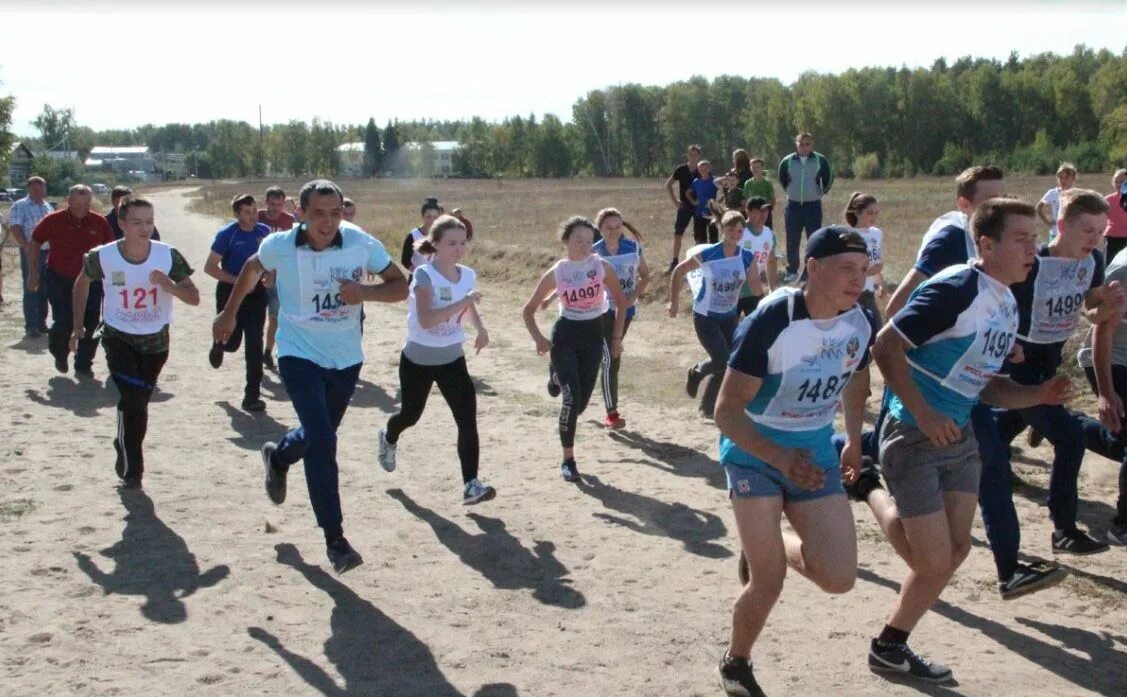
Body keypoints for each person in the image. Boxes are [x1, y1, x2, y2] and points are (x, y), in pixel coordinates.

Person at [850, 199, 1072, 683]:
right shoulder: (956, 287)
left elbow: (988, 386)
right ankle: (868, 485)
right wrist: (925, 414)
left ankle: (890, 646)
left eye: (1034, 239)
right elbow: (884, 345)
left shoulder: (1006, 301)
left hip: (960, 436)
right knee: (931, 560)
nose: (1032, 249)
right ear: (986, 244)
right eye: (1021, 239)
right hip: (913, 432)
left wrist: (1040, 393)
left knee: (954, 553)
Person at [213, 179, 408, 574]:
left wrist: (364, 294)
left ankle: (279, 456)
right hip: (298, 354)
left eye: (335, 213)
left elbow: (400, 284)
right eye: (319, 213)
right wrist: (229, 313)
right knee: (323, 441)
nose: (329, 221)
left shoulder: (360, 243)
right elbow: (253, 268)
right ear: (300, 213)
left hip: (346, 358)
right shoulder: (280, 245)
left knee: (317, 434)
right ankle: (335, 541)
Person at [714, 226, 876, 697]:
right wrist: (780, 458)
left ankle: (765, 541)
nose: (857, 281)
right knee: (769, 582)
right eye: (846, 269)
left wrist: (852, 440)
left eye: (863, 270)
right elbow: (725, 412)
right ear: (812, 267)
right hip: (753, 450)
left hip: (815, 451)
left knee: (839, 576)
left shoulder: (860, 319)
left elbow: (857, 380)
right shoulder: (774, 317)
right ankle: (736, 662)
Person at [992, 190, 1122, 556]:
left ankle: (983, 451)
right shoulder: (1034, 261)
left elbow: (1090, 309)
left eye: (1101, 230)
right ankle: (1064, 530)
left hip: (1051, 356)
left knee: (1007, 422)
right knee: (1069, 438)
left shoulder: (1093, 260)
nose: (1095, 239)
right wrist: (1005, 343)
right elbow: (997, 297)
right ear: (1061, 225)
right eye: (1086, 230)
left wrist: (1107, 305)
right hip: (1019, 357)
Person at [70, 197, 199, 488]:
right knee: (135, 398)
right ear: (122, 224)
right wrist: (77, 325)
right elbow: (82, 283)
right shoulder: (102, 256)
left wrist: (169, 285)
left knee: (136, 403)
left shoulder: (168, 256)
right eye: (137, 222)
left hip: (155, 342)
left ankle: (124, 440)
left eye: (150, 222)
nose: (145, 228)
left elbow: (194, 298)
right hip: (118, 337)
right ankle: (134, 467)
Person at [377, 214, 495, 504]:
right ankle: (389, 436)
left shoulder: (467, 274)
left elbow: (466, 305)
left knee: (467, 419)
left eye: (462, 243)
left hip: (452, 357)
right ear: (436, 244)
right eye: (452, 243)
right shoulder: (424, 275)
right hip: (419, 358)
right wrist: (464, 302)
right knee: (410, 415)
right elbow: (428, 320)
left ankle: (471, 484)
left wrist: (479, 327)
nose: (459, 249)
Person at [521, 216, 628, 483]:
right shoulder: (558, 272)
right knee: (570, 401)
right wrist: (538, 339)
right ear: (566, 241)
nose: (584, 245)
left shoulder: (602, 267)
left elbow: (622, 303)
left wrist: (615, 339)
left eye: (589, 241)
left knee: (578, 406)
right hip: (566, 335)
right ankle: (568, 460)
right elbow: (528, 309)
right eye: (578, 240)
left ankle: (556, 376)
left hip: (593, 336)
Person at [669, 211, 761, 419]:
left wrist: (767, 296)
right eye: (730, 229)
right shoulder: (709, 254)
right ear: (722, 229)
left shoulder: (746, 257)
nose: (735, 234)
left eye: (739, 231)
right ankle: (697, 372)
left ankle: (708, 407)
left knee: (729, 362)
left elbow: (756, 287)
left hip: (729, 316)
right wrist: (674, 302)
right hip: (705, 316)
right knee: (722, 359)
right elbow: (678, 272)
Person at [27, 184, 116, 377]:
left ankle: (83, 364)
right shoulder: (53, 220)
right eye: (76, 205)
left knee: (91, 321)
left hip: (91, 280)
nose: (80, 209)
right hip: (60, 277)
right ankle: (59, 352)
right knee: (64, 320)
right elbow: (35, 241)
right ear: (68, 201)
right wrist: (33, 271)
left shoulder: (99, 222)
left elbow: (111, 250)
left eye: (85, 205)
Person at [1076, 236, 1127, 545]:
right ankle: (1123, 524)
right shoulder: (1124, 273)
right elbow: (1101, 333)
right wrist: (1106, 393)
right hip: (1113, 360)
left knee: (1121, 439)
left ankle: (1069, 427)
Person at [206, 194, 272, 412]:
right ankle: (219, 344)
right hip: (230, 292)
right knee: (232, 343)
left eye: (254, 210)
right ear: (236, 214)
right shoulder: (228, 235)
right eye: (246, 212)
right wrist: (240, 282)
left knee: (254, 343)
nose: (252, 216)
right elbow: (210, 267)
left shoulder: (264, 232)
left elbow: (272, 262)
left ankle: (251, 395)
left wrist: (270, 277)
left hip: (256, 295)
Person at [592, 208, 649, 429]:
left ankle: (561, 371)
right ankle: (612, 413)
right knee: (611, 358)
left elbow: (645, 275)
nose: (614, 231)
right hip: (601, 311)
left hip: (626, 311)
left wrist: (631, 297)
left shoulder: (633, 248)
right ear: (600, 229)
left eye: (618, 227)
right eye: (609, 227)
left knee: (607, 357)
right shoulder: (594, 253)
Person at [777, 133, 833, 281]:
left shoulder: (820, 160)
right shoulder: (787, 161)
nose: (804, 147)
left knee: (813, 239)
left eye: (807, 144)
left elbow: (829, 177)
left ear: (812, 144)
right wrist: (791, 190)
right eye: (801, 144)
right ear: (796, 144)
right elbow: (782, 178)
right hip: (793, 206)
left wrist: (821, 191)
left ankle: (810, 271)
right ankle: (792, 271)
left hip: (813, 206)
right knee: (792, 240)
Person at [8, 176, 53, 336]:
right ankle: (31, 325)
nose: (39, 191)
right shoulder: (21, 205)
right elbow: (15, 227)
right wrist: (27, 248)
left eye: (41, 187)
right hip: (31, 252)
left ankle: (42, 323)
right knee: (32, 286)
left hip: (48, 252)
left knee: (45, 289)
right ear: (29, 189)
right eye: (35, 188)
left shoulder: (47, 206)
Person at [258, 186, 297, 371]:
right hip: (257, 274)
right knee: (256, 318)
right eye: (272, 204)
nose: (275, 208)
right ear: (266, 202)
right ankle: (256, 350)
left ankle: (267, 351)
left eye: (279, 204)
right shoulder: (257, 217)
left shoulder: (288, 221)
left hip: (278, 277)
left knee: (274, 317)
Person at [844, 192, 887, 323]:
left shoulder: (876, 234)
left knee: (876, 331)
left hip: (868, 293)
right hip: (850, 293)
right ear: (857, 213)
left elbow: (876, 263)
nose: (874, 217)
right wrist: (866, 273)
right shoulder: (848, 236)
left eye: (876, 213)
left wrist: (881, 284)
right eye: (870, 213)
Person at [664, 144, 702, 272]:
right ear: (687, 155)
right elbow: (668, 185)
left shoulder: (702, 169)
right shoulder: (681, 169)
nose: (692, 157)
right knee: (678, 233)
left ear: (699, 156)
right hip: (684, 206)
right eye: (690, 154)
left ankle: (698, 262)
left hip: (698, 207)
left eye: (695, 154)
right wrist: (675, 202)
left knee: (699, 236)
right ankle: (674, 261)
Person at [736, 197, 776, 318]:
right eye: (759, 210)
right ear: (748, 212)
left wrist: (772, 289)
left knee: (756, 332)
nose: (764, 214)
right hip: (733, 291)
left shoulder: (769, 234)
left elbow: (771, 262)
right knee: (728, 333)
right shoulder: (738, 232)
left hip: (754, 291)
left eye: (766, 210)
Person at [1037, 162, 1077, 241]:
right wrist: (1047, 222)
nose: (1063, 180)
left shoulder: (1077, 194)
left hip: (1072, 234)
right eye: (1060, 177)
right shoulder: (1052, 193)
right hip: (1055, 234)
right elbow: (1039, 208)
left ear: (1073, 178)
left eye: (1066, 177)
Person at [402, 197, 442, 273]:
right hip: (417, 279)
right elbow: (405, 260)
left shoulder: (443, 235)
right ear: (423, 216)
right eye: (428, 216)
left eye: (435, 217)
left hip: (437, 279)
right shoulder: (413, 235)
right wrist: (418, 273)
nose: (432, 220)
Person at [686, 160, 718, 245]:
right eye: (701, 169)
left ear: (709, 169)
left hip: (712, 213)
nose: (703, 171)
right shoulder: (696, 181)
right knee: (700, 238)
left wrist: (718, 202)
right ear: (698, 170)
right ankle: (702, 256)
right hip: (699, 213)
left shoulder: (715, 181)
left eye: (705, 169)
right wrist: (693, 201)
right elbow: (687, 193)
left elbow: (723, 191)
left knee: (713, 237)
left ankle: (714, 257)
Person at [742, 158, 777, 231]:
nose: (755, 169)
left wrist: (767, 212)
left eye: (758, 167)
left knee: (767, 232)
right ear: (750, 169)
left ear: (762, 168)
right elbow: (745, 200)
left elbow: (773, 200)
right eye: (753, 167)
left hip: (764, 213)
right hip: (752, 214)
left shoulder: (767, 183)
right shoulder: (748, 183)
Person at [1104, 169, 1127, 261]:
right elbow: (1101, 219)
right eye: (1116, 181)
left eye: (1122, 181)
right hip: (1112, 238)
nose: (1118, 184)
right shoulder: (1108, 200)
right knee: (1110, 263)